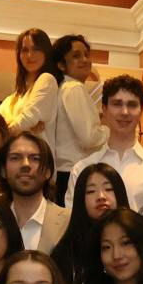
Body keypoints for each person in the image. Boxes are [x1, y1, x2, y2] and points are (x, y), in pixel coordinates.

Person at [69, 75, 143, 212]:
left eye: (132, 105)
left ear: (141, 111)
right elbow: (75, 219)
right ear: (104, 109)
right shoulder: (81, 169)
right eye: (117, 104)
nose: (125, 112)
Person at [52, 162, 129, 284]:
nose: (101, 196)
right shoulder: (66, 251)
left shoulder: (137, 239)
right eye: (91, 191)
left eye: (109, 189)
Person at [47, 33, 106, 199]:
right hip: (74, 172)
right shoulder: (74, 88)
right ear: (61, 64)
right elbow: (89, 138)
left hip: (64, 172)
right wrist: (108, 128)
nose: (85, 60)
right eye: (76, 56)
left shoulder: (64, 88)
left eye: (86, 54)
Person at [0, 27, 62, 156]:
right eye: (25, 50)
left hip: (38, 159)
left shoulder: (47, 80)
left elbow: (28, 118)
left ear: (46, 52)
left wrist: (11, 129)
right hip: (16, 157)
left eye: (36, 49)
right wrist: (24, 129)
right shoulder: (15, 97)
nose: (30, 55)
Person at [0, 131, 69, 253]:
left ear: (48, 171)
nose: (25, 164)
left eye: (35, 158)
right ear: (3, 170)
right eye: (15, 158)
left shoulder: (68, 221)